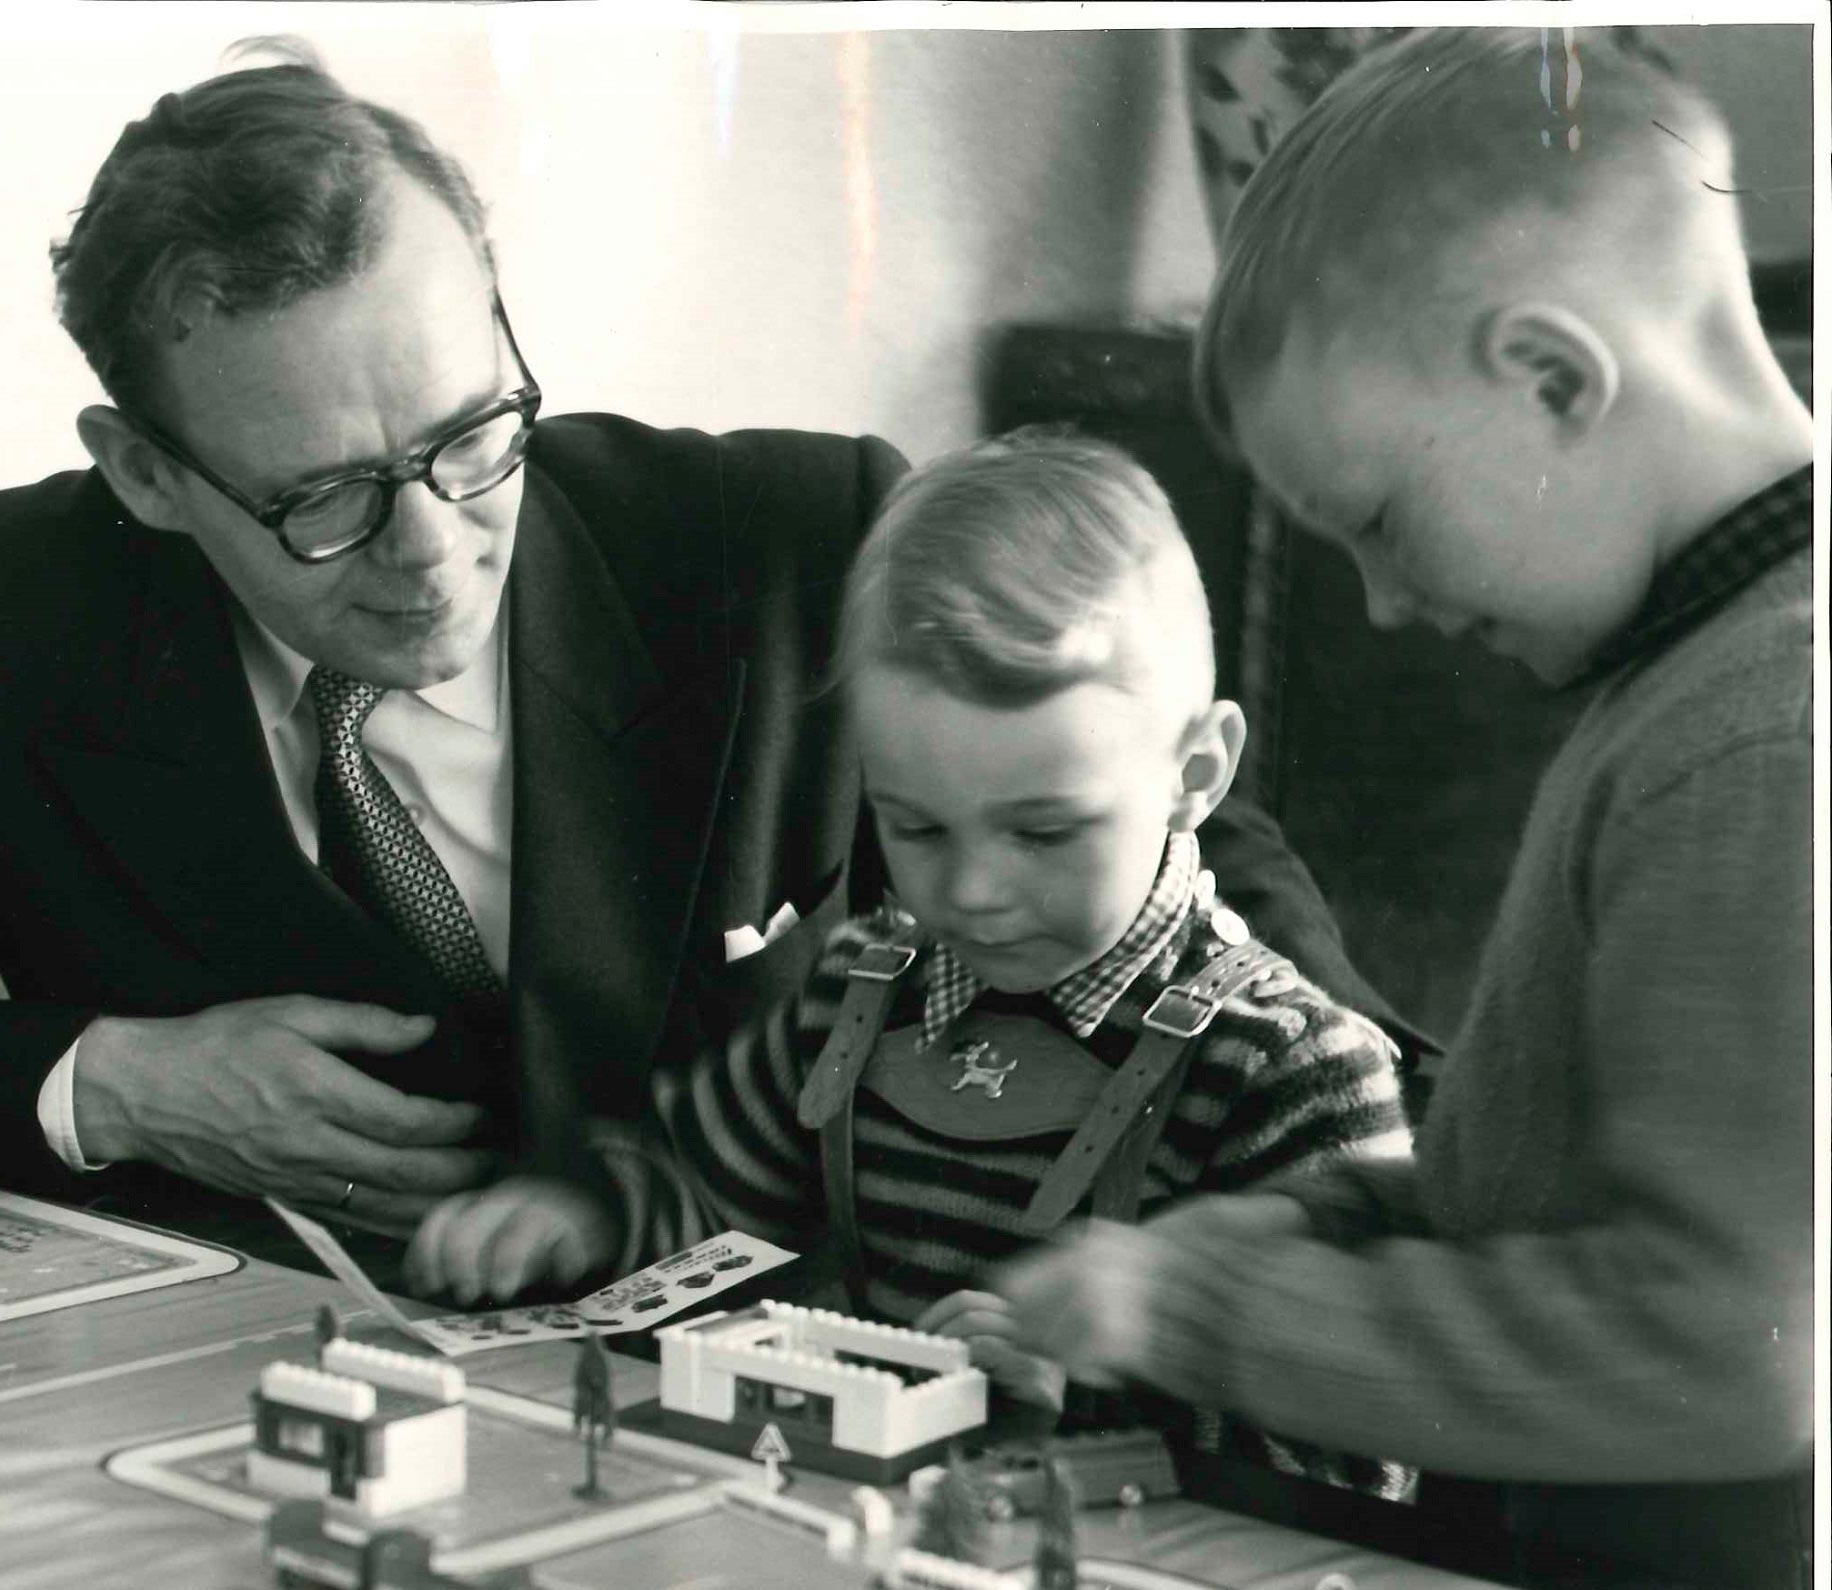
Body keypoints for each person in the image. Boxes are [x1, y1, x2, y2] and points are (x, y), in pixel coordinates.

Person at [0, 44, 1399, 1262]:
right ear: (143, 474)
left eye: (472, 436)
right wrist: (117, 1082)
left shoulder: (799, 542)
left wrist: (1368, 1204)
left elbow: (1194, 876)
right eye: (322, 500)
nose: (433, 548)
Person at [991, 30, 1815, 1590]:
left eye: (1377, 517)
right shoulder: (1696, 681)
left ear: (1554, 377)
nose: (1379, 602)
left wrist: (1199, 1313)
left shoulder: (1761, 741)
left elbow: (1733, 1344)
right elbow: (1562, 1182)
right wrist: (1339, 1225)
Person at [404, 432, 1411, 1495]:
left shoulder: (1294, 1073)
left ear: (1196, 772)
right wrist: (587, 1215)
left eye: (1043, 832)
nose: (971, 891)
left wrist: (1086, 1399)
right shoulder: (862, 989)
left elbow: (1357, 1466)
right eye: (917, 828)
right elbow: (706, 1195)